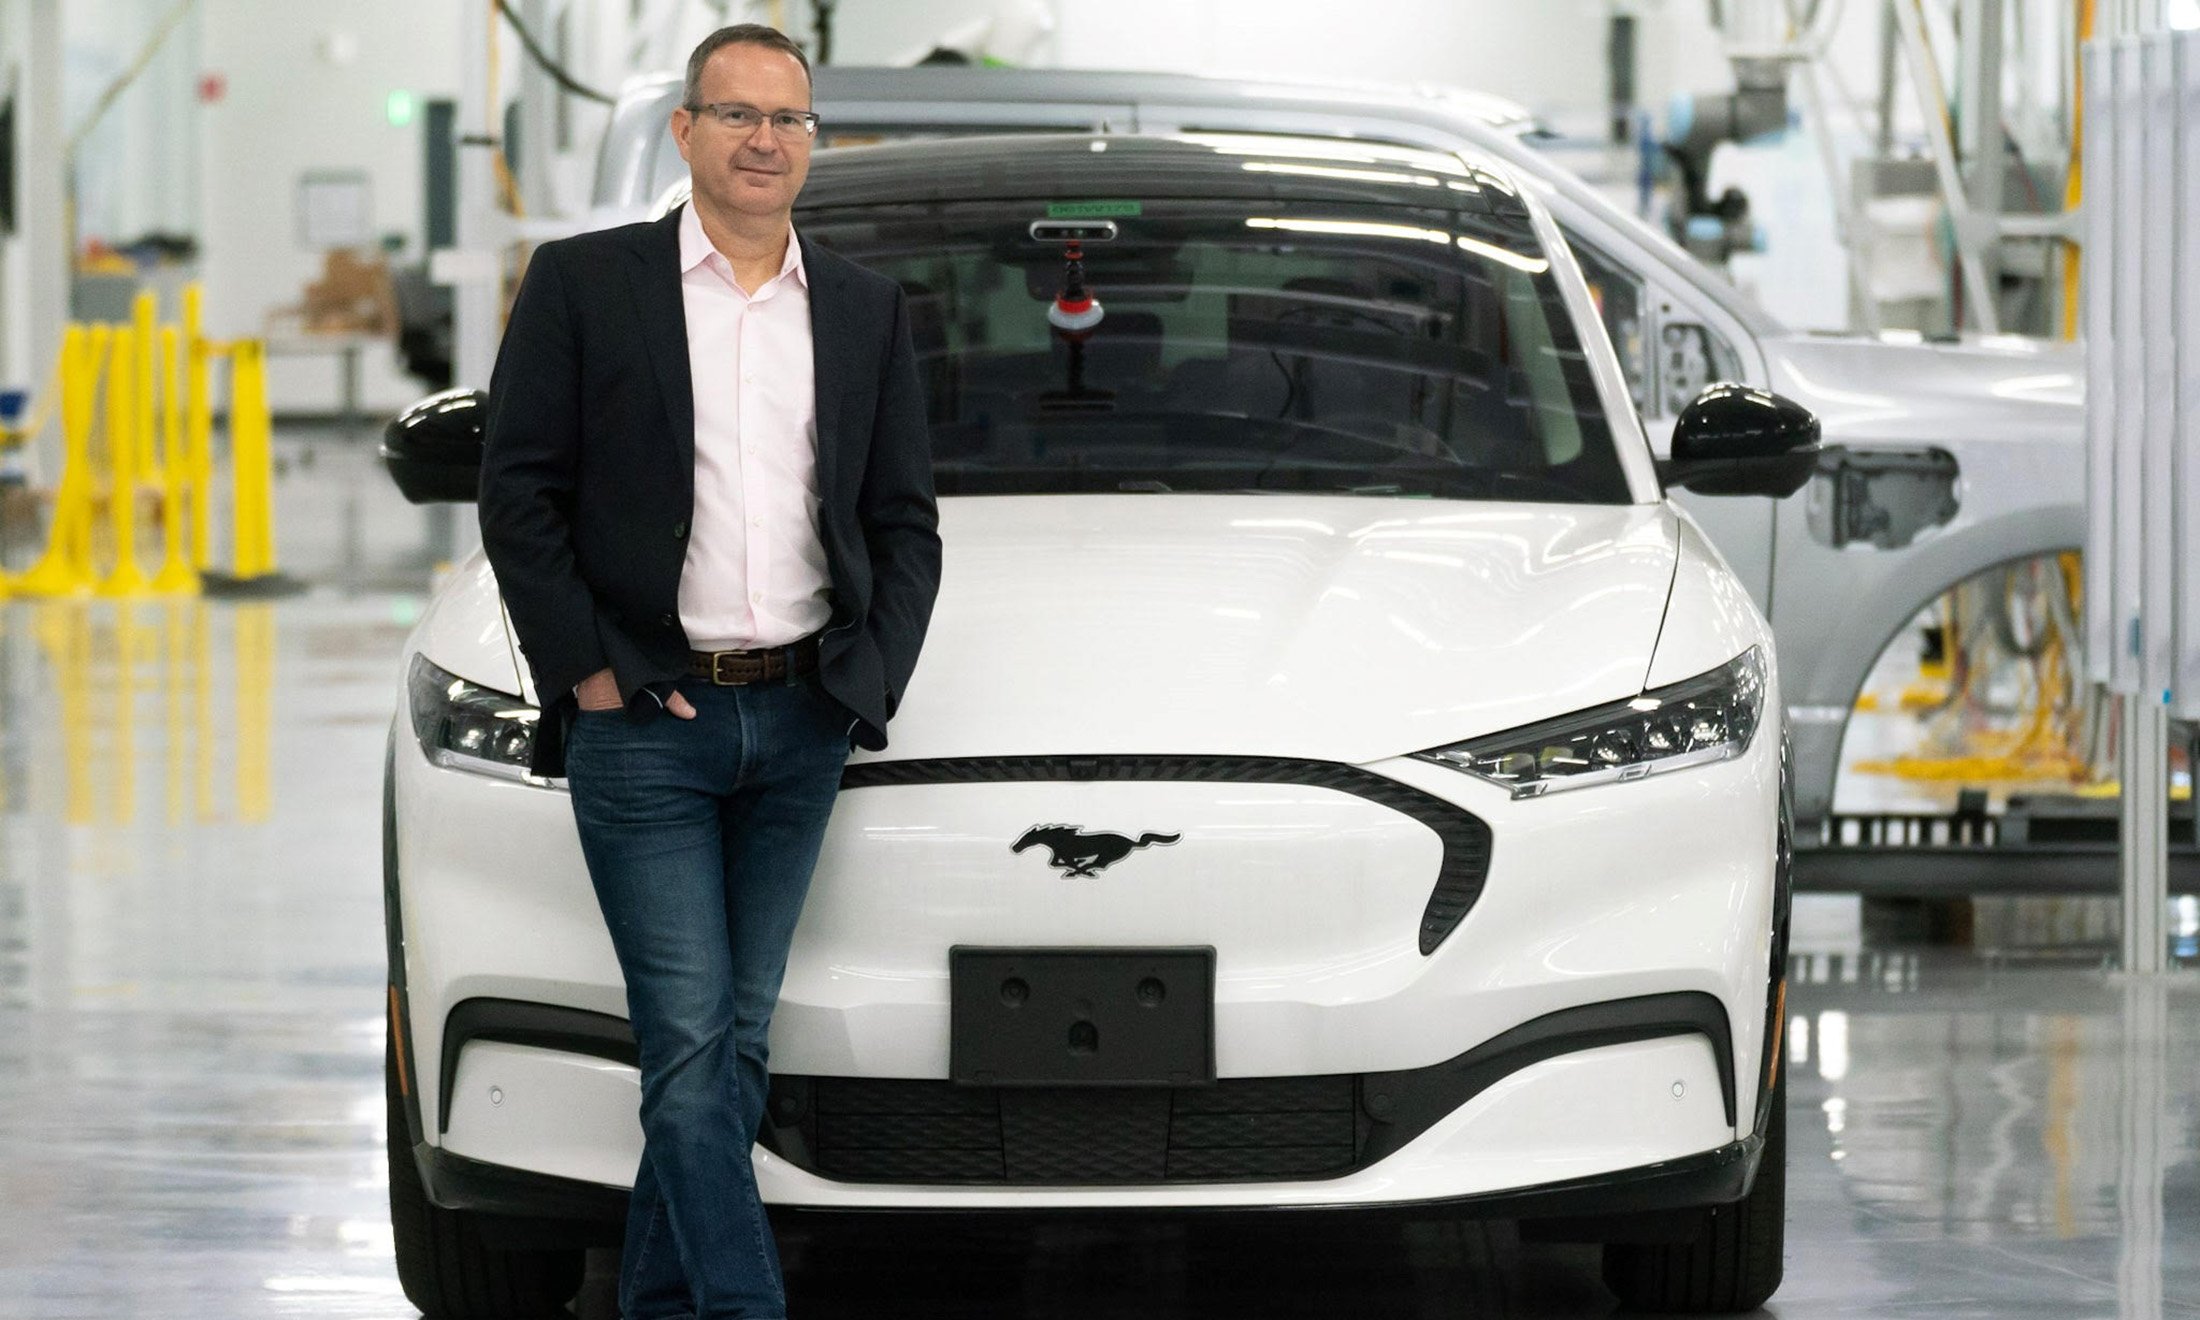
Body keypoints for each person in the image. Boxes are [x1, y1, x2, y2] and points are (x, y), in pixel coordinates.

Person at [476, 23, 941, 1319]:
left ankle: (660, 1307)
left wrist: (867, 681)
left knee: (729, 1049)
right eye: (734, 115)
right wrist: (591, 678)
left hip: (800, 724)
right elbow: (517, 498)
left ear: (812, 143)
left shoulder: (857, 309)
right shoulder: (585, 286)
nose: (761, 140)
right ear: (684, 132)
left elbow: (904, 522)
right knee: (688, 1049)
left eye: (785, 120)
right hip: (646, 732)